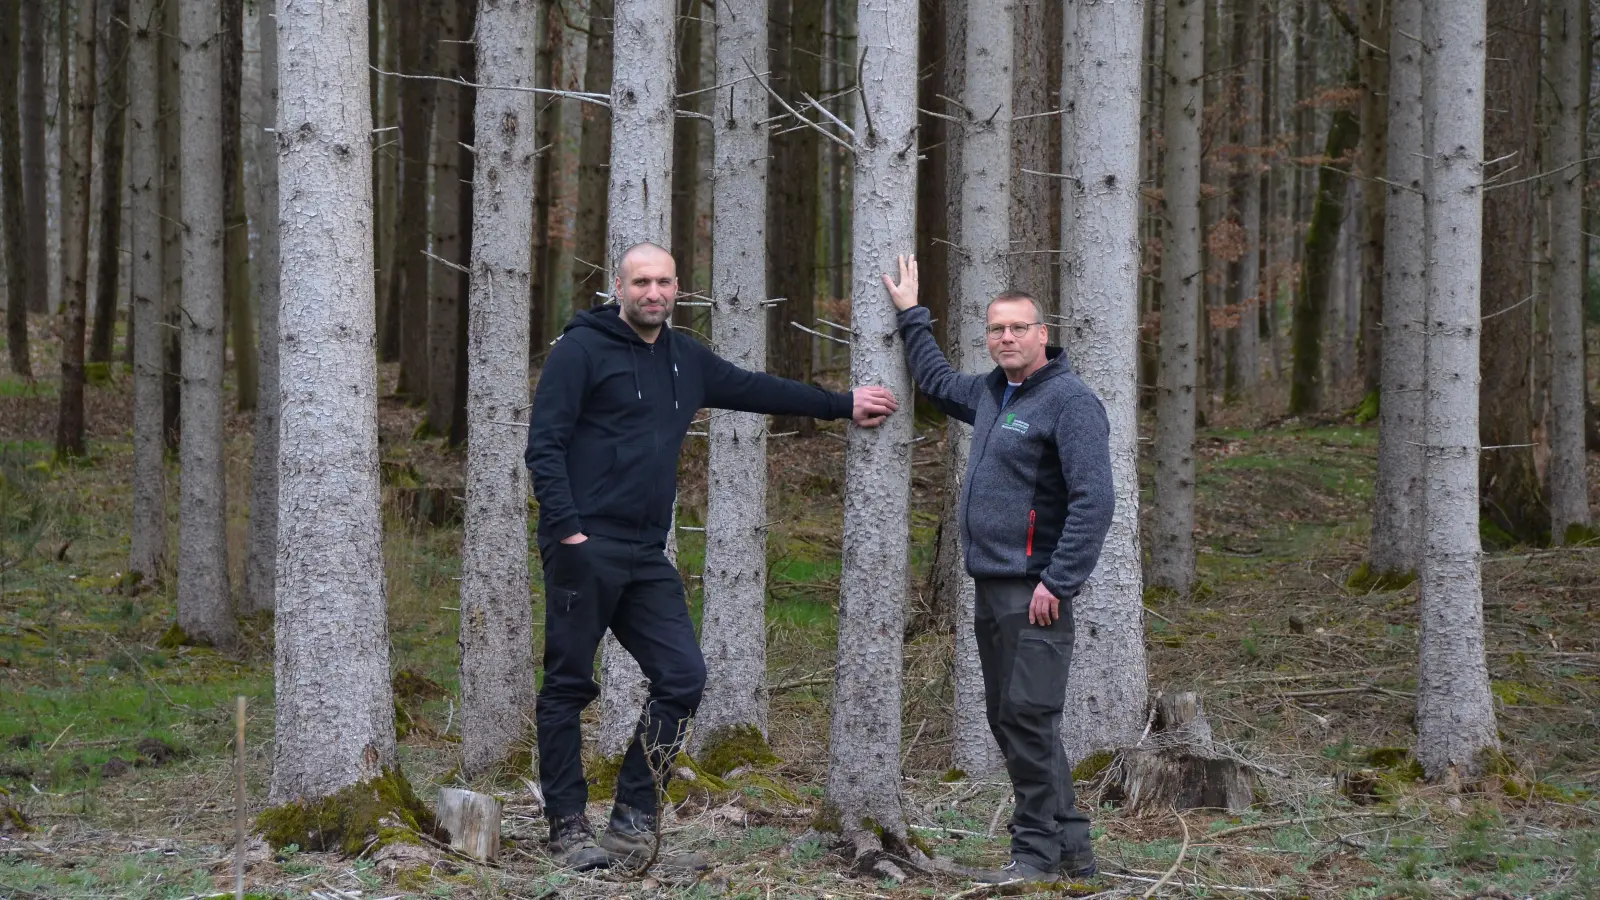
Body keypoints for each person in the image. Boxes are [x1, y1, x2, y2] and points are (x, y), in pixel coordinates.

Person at [525, 242, 899, 870]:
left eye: (664, 282)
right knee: (567, 687)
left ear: (678, 289)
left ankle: (632, 819)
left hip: (646, 554)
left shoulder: (684, 358)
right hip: (585, 548)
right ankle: (565, 827)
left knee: (683, 678)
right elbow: (545, 445)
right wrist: (568, 533)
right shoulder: (581, 351)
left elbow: (757, 389)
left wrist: (843, 403)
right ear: (619, 288)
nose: (653, 293)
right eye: (641, 282)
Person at [883, 255, 1113, 884]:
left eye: (1017, 328)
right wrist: (911, 314)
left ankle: (1033, 856)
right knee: (1013, 718)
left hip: (1036, 588)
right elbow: (932, 378)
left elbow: (1095, 501)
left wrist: (1057, 582)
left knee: (1029, 717)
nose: (1005, 337)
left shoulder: (1070, 401)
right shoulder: (991, 392)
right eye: (995, 329)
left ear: (1043, 334)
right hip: (991, 584)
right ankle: (1071, 853)